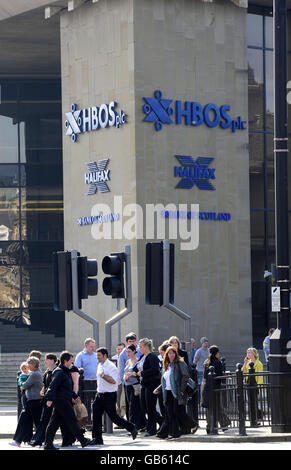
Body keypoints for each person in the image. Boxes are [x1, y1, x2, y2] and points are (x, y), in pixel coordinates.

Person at [43, 351, 92, 450]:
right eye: (70, 361)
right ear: (65, 361)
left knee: (54, 423)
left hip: (63, 399)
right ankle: (83, 440)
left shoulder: (65, 371)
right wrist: (49, 398)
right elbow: (53, 386)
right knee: (72, 420)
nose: (72, 362)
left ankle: (48, 445)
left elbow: (66, 387)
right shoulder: (59, 372)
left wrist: (74, 395)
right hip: (61, 401)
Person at [91, 348, 137, 445]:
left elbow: (113, 381)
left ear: (105, 355)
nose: (97, 358)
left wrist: (103, 375)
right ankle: (97, 439)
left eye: (99, 355)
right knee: (96, 417)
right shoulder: (99, 365)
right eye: (97, 356)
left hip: (109, 395)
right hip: (99, 394)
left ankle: (131, 427)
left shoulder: (111, 367)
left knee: (114, 418)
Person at [155, 346, 193, 439]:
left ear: (176, 354)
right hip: (167, 392)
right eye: (169, 353)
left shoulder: (180, 363)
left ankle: (190, 425)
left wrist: (181, 390)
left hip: (176, 391)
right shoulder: (166, 365)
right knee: (170, 414)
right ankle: (174, 433)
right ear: (167, 355)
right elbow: (165, 381)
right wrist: (159, 389)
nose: (171, 355)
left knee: (175, 412)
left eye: (173, 353)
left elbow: (185, 376)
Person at [10, 356, 43, 447]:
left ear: (33, 364)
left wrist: (23, 384)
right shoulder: (35, 373)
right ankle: (18, 441)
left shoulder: (35, 374)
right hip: (31, 401)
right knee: (25, 420)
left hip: (34, 401)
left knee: (36, 422)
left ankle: (40, 440)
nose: (27, 366)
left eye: (29, 364)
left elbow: (25, 385)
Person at [29, 353, 60, 447]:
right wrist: (42, 391)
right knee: (44, 420)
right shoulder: (47, 371)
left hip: (53, 400)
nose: (45, 361)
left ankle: (70, 439)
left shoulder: (56, 371)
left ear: (52, 360)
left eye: (47, 359)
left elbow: (54, 386)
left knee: (59, 421)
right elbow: (45, 385)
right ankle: (38, 439)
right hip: (47, 399)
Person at [201, 345, 230, 434]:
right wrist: (225, 376)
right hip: (215, 388)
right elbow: (220, 376)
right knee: (217, 407)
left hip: (207, 387)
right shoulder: (217, 362)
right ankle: (220, 425)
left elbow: (205, 376)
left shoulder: (207, 362)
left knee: (210, 408)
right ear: (217, 353)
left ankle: (210, 426)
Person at [137, 338, 163, 436]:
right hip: (144, 384)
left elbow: (155, 370)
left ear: (146, 347)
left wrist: (142, 373)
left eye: (141, 347)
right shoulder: (143, 357)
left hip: (151, 384)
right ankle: (161, 421)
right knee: (144, 407)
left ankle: (152, 430)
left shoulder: (152, 357)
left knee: (150, 407)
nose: (140, 349)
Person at [118, 332, 142, 419]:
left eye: (133, 341)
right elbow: (121, 370)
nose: (131, 343)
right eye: (129, 341)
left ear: (136, 341)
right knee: (128, 404)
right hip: (127, 383)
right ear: (126, 342)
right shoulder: (123, 354)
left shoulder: (140, 351)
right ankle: (130, 422)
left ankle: (139, 423)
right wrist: (124, 381)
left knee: (138, 404)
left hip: (137, 383)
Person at [123, 344, 146, 431]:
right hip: (127, 385)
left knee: (134, 406)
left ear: (134, 351)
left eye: (129, 351)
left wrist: (131, 374)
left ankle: (134, 426)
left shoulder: (137, 361)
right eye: (126, 352)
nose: (127, 353)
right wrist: (125, 376)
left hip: (135, 386)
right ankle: (141, 424)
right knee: (129, 405)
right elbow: (124, 372)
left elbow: (139, 373)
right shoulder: (127, 361)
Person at [112, 343, 126, 419]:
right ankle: (118, 418)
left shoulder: (126, 357)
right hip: (116, 382)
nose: (120, 350)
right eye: (118, 349)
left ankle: (122, 416)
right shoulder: (113, 358)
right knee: (117, 401)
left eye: (121, 349)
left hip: (124, 381)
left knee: (122, 401)